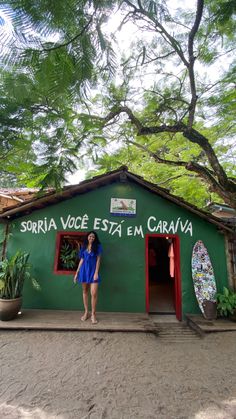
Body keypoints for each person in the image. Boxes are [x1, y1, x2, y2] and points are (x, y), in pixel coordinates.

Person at [74, 231, 102, 324]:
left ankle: (93, 314)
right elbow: (81, 260)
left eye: (93, 237)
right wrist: (77, 272)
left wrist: (96, 273)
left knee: (93, 293)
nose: (91, 238)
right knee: (85, 291)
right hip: (84, 271)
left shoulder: (98, 247)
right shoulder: (83, 247)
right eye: (90, 236)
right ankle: (86, 312)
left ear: (95, 238)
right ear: (87, 237)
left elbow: (98, 260)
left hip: (93, 272)